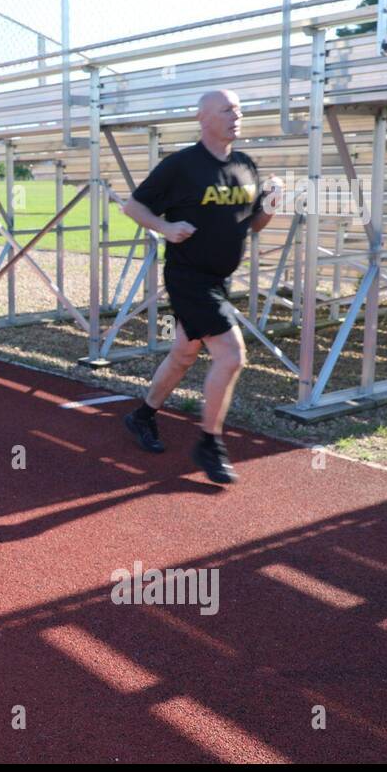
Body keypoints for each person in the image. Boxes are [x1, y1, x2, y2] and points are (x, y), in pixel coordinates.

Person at [121, 90, 280, 484]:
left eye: (240, 108)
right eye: (227, 109)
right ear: (202, 118)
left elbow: (252, 225)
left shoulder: (245, 166)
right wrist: (165, 227)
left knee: (183, 355)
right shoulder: (181, 165)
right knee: (231, 355)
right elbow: (133, 206)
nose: (236, 115)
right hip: (188, 277)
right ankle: (210, 443)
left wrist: (273, 203)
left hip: (219, 280)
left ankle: (141, 416)